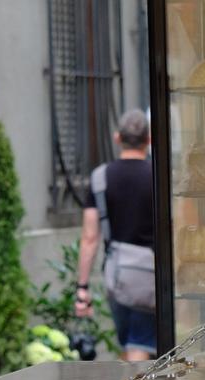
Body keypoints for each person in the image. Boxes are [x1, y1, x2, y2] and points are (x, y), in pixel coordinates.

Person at [74, 109, 156, 360]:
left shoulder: (100, 178)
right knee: (141, 348)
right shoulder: (159, 176)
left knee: (131, 345)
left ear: (117, 138)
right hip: (153, 274)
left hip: (117, 275)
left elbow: (90, 238)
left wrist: (83, 288)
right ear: (149, 139)